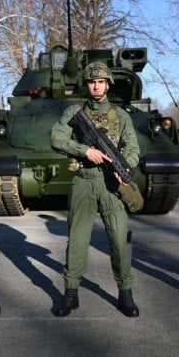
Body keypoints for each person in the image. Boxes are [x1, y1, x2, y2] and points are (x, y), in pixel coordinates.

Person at [50, 61, 141, 317]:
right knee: (77, 241)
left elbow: (133, 148)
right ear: (87, 85)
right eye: (92, 81)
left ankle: (125, 294)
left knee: (120, 241)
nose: (96, 85)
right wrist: (84, 150)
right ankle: (70, 293)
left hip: (111, 184)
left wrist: (123, 167)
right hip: (84, 181)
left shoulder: (120, 115)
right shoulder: (74, 112)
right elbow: (56, 137)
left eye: (101, 81)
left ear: (108, 84)